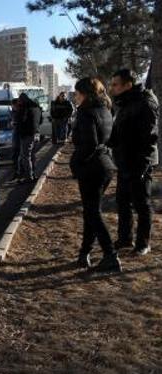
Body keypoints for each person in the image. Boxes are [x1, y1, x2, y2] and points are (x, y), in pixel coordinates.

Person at [69, 77, 122, 272]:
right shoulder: (106, 110)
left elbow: (89, 144)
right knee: (91, 211)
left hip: (92, 168)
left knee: (93, 213)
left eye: (77, 93)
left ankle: (110, 255)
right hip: (105, 165)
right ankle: (85, 253)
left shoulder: (86, 113)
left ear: (85, 94)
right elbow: (112, 139)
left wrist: (75, 162)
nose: (75, 97)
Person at [108, 68, 160, 256]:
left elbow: (150, 138)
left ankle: (143, 242)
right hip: (124, 161)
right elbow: (119, 128)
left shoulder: (145, 102)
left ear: (128, 85)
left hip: (139, 163)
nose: (111, 88)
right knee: (122, 201)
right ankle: (125, 238)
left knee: (141, 203)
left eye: (115, 84)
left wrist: (142, 165)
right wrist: (109, 142)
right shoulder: (125, 102)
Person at [16, 93, 42, 182]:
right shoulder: (37, 107)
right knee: (33, 155)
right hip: (37, 134)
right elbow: (40, 120)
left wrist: (18, 112)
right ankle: (34, 174)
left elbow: (21, 121)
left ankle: (29, 177)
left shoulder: (24, 108)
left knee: (26, 156)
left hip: (27, 135)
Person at [10, 98, 22, 176]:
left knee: (17, 154)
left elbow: (19, 123)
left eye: (13, 105)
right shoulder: (14, 112)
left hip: (19, 135)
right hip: (16, 135)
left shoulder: (19, 112)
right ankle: (16, 171)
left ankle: (18, 172)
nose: (12, 107)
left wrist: (14, 123)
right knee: (15, 154)